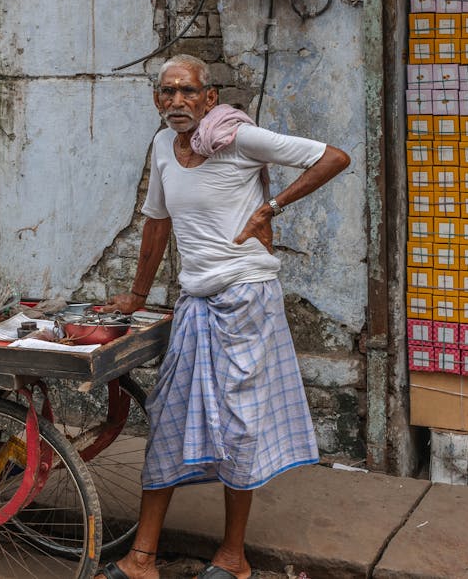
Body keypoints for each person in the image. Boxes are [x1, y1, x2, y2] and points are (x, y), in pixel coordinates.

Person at [96, 54, 350, 579]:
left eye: (188, 91)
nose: (177, 102)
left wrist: (272, 207)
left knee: (240, 427)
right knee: (167, 418)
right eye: (167, 92)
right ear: (156, 100)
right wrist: (138, 294)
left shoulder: (239, 139)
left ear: (209, 97)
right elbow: (157, 222)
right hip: (195, 304)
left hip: (247, 299)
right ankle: (142, 557)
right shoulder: (163, 146)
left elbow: (332, 157)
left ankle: (233, 558)